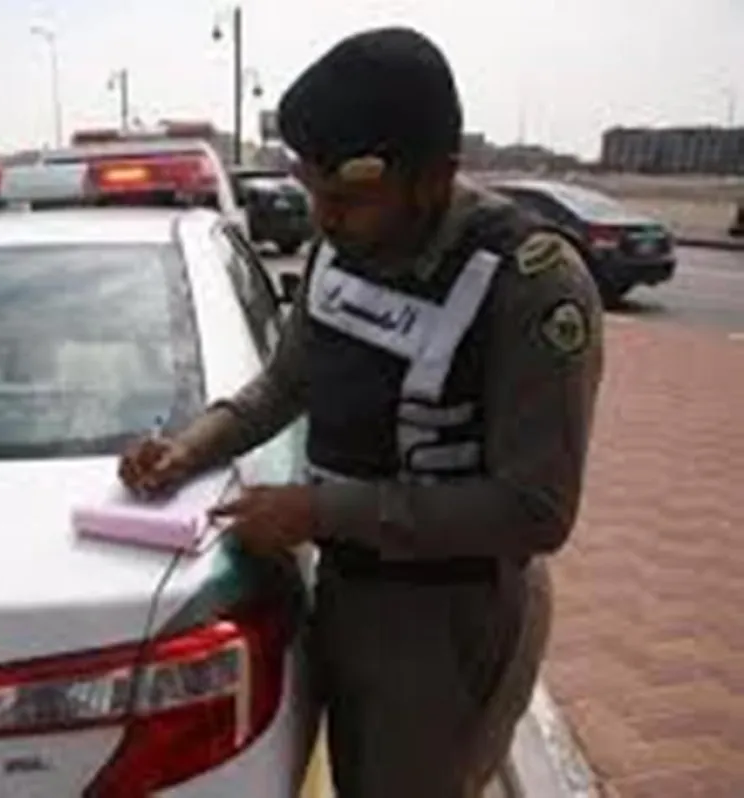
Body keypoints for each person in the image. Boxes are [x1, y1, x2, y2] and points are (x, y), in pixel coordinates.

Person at [118, 26, 605, 798]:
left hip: (449, 623)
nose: (323, 221)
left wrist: (319, 512)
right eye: (315, 194)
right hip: (350, 596)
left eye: (346, 200)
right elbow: (284, 386)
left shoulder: (531, 284)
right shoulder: (341, 249)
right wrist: (189, 448)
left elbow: (535, 511)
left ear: (433, 178)